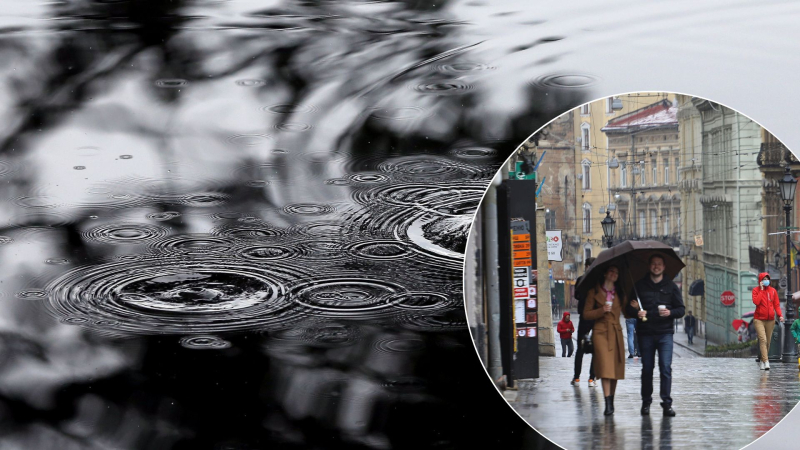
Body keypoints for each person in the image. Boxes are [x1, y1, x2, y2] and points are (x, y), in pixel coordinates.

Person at [624, 254, 684, 417]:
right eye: (653, 264)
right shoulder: (639, 286)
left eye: (659, 264)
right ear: (649, 266)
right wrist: (637, 312)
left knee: (665, 368)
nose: (656, 266)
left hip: (665, 334)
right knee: (647, 369)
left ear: (664, 267)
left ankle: (666, 404)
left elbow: (681, 310)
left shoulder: (671, 287)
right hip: (646, 334)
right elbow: (628, 309)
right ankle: (646, 403)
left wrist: (670, 312)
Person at [582, 265, 628, 416]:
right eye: (611, 271)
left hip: (616, 332)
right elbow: (586, 314)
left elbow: (627, 313)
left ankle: (611, 400)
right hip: (600, 332)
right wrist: (601, 311)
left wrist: (634, 307)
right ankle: (607, 402)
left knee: (614, 369)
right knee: (605, 368)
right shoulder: (594, 291)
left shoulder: (620, 293)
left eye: (617, 272)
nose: (614, 274)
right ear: (605, 273)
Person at [572, 257, 597, 388]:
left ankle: (585, 377)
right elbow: (577, 295)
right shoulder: (586, 280)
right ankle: (583, 378)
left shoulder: (584, 280)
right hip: (589, 316)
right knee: (584, 347)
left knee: (591, 348)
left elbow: (576, 295)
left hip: (590, 316)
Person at [752, 273, 784, 370]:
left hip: (770, 320)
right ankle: (766, 361)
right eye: (764, 279)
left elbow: (776, 305)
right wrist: (761, 290)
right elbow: (756, 302)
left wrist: (780, 315)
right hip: (759, 319)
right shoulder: (755, 290)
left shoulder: (773, 291)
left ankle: (762, 359)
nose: (766, 281)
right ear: (760, 280)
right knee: (763, 340)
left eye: (767, 279)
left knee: (768, 342)